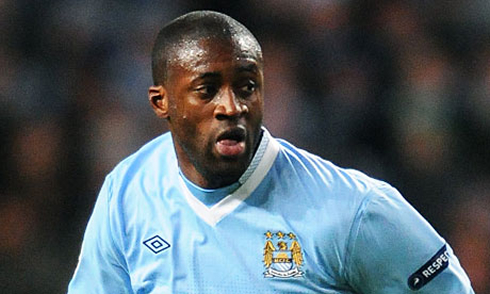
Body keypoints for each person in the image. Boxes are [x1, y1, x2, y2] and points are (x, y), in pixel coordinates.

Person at [68, 11, 474, 293]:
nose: (232, 106)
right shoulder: (126, 191)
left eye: (247, 86)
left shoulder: (353, 208)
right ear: (162, 103)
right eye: (207, 90)